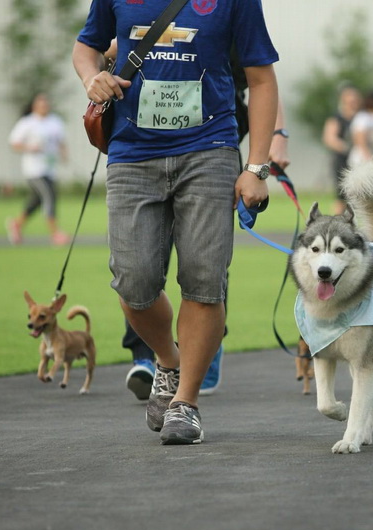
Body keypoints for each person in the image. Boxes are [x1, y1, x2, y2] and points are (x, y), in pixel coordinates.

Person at [73, 0, 279, 445]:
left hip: (210, 148)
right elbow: (86, 47)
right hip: (132, 154)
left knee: (205, 278)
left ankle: (185, 403)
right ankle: (169, 359)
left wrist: (257, 168)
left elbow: (261, 80)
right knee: (134, 281)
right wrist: (92, 78)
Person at [119, 41, 290, 401]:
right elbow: (97, 48)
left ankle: (204, 361)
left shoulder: (226, 16)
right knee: (141, 269)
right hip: (141, 148)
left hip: (213, 144)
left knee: (206, 265)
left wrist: (275, 142)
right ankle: (149, 357)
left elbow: (263, 78)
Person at [6, 93, 70, 246]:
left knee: (36, 201)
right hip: (34, 170)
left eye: (45, 104)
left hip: (50, 168)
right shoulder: (27, 123)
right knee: (49, 195)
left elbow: (61, 141)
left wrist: (64, 154)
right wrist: (30, 147)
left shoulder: (55, 121)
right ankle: (55, 233)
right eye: (41, 104)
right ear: (34, 106)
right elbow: (14, 143)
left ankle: (16, 224)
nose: (44, 107)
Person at [322, 85, 362, 214]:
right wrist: (348, 148)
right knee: (342, 197)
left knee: (360, 197)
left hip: (360, 162)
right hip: (342, 161)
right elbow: (329, 138)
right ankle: (337, 225)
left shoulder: (362, 118)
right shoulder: (337, 118)